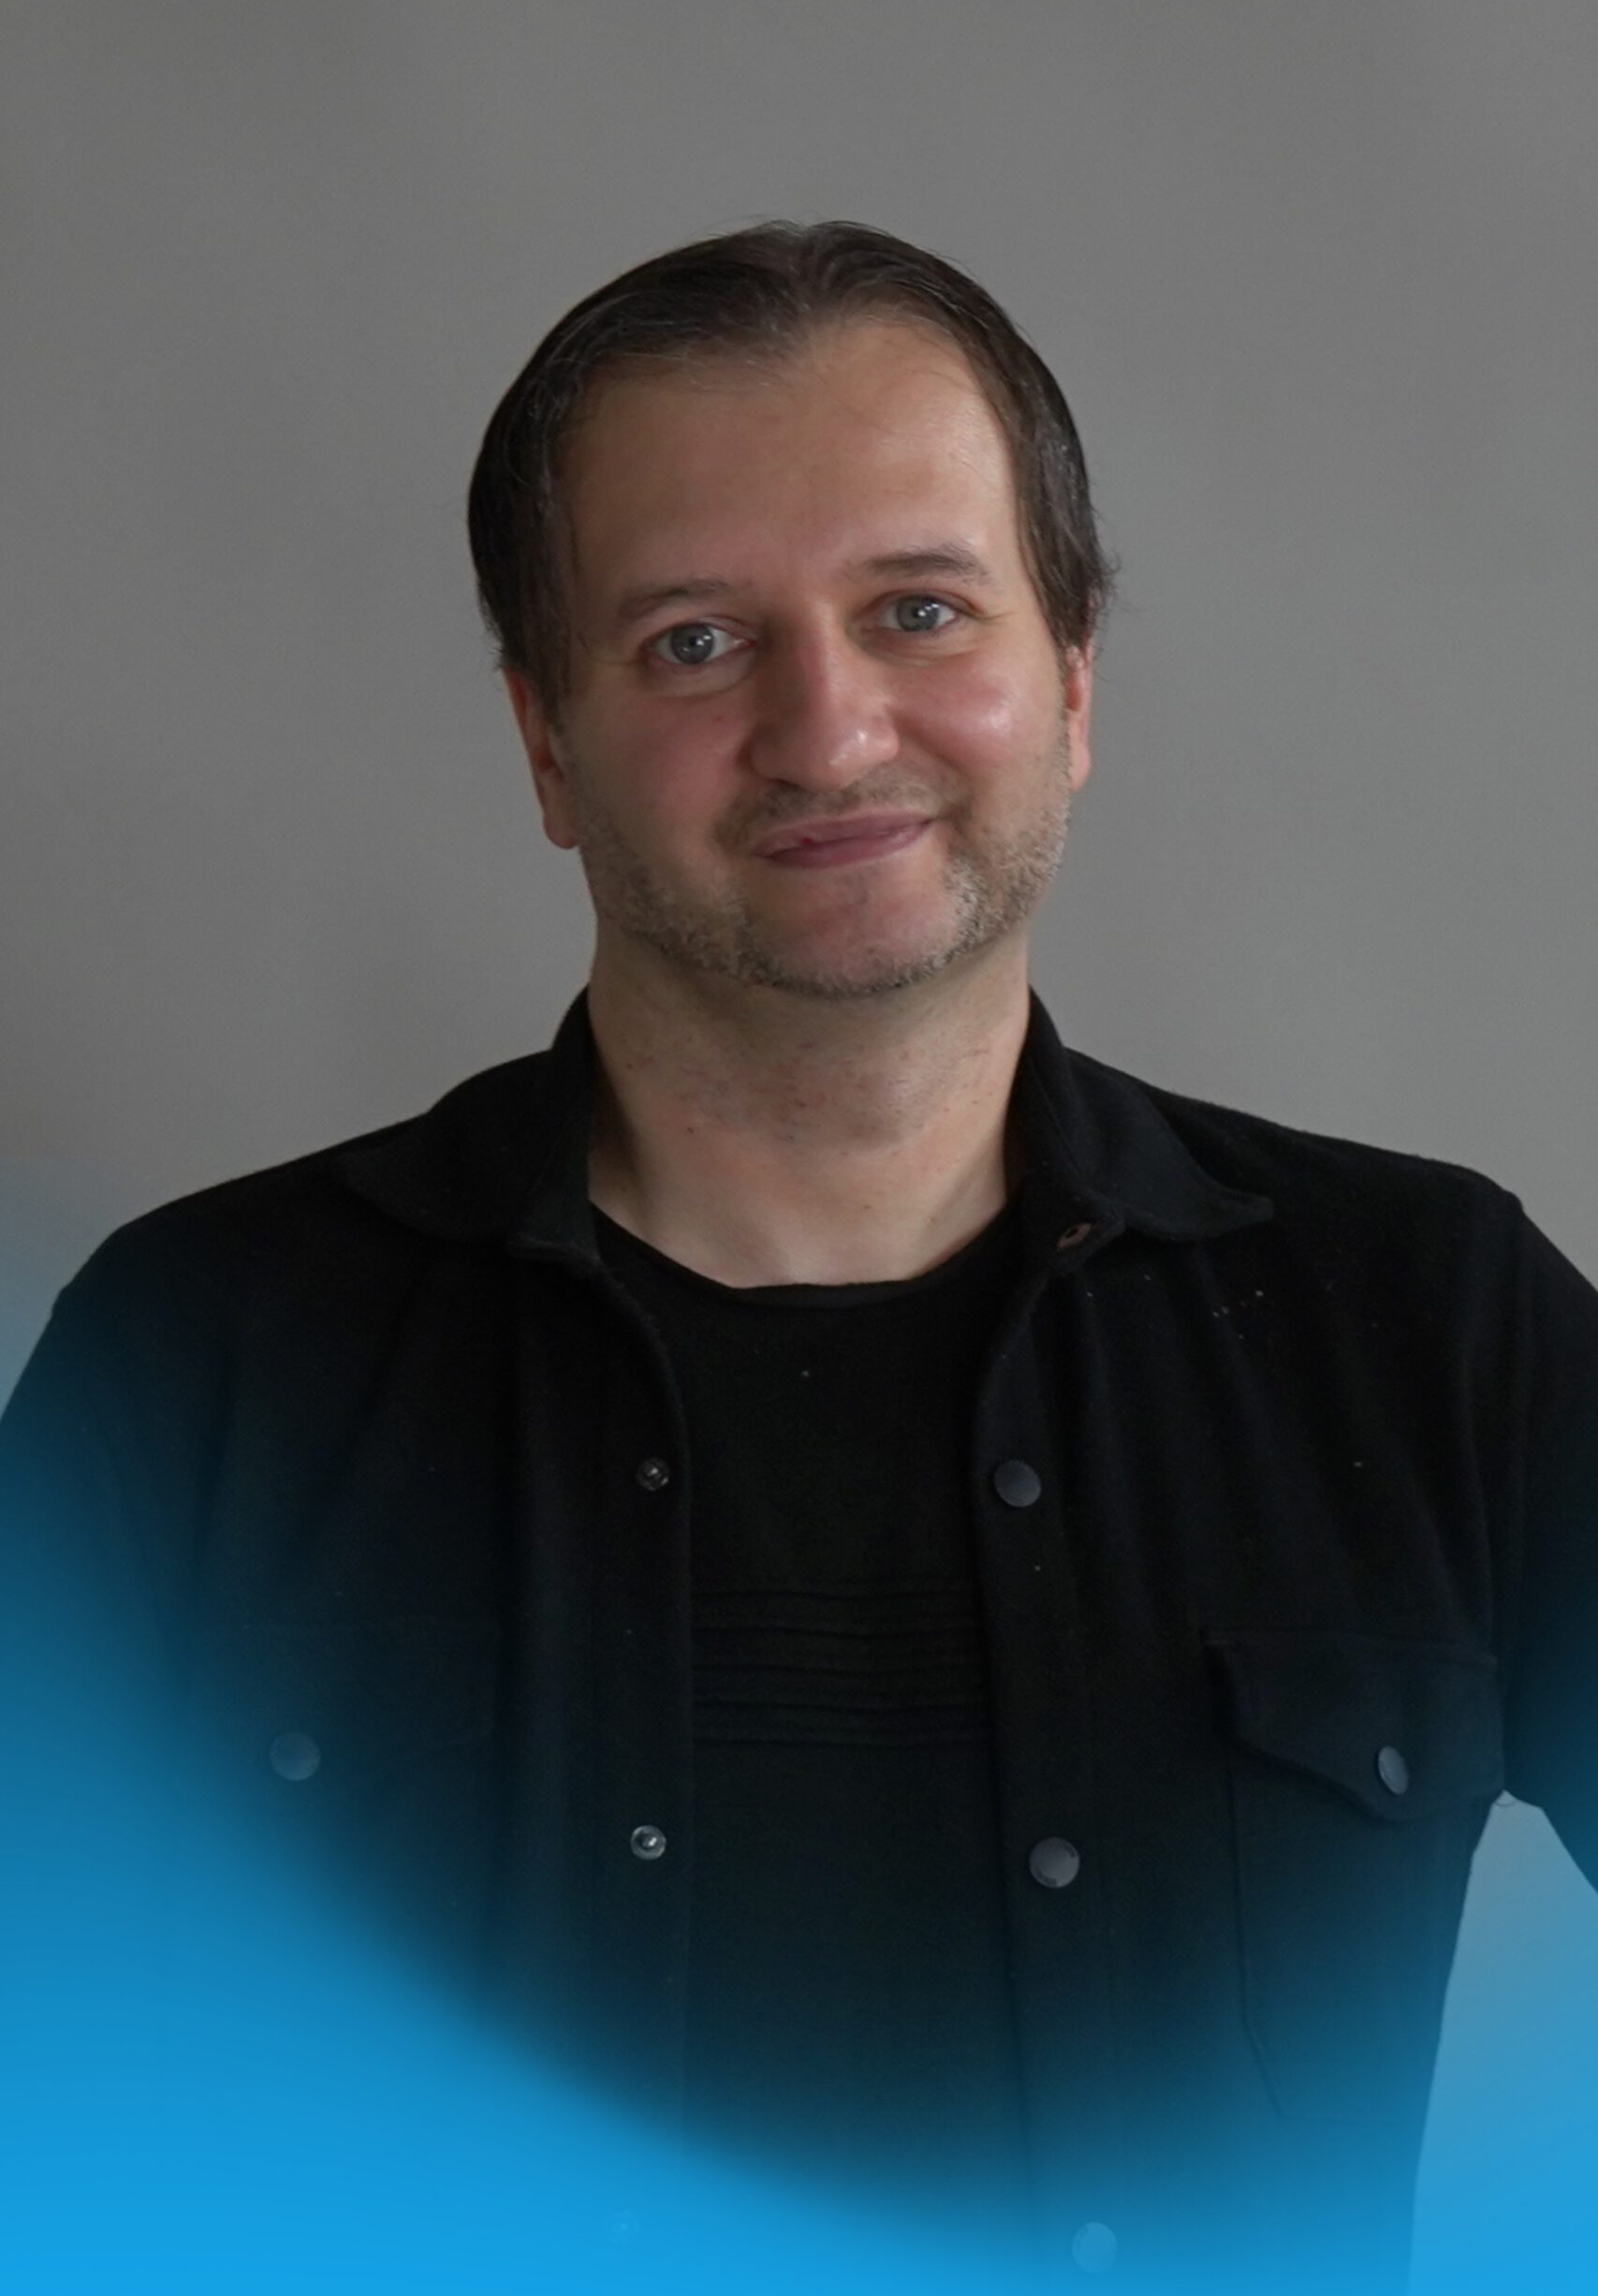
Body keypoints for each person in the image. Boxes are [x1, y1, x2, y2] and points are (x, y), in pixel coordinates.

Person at [3, 219, 1595, 2293]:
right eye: (693, 641)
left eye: (920, 609)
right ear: (546, 742)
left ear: (1072, 678)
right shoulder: (198, 1364)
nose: (828, 732)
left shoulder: (1425, 1321)